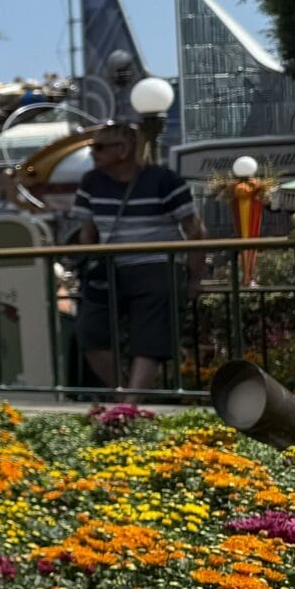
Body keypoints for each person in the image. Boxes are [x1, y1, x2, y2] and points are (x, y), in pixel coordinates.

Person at [71, 124, 202, 393]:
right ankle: (127, 393)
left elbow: (195, 230)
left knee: (150, 335)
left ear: (123, 150)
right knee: (89, 332)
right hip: (110, 266)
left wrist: (194, 277)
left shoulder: (164, 180)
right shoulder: (91, 183)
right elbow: (88, 234)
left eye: (98, 147)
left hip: (156, 264)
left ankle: (131, 403)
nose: (92, 153)